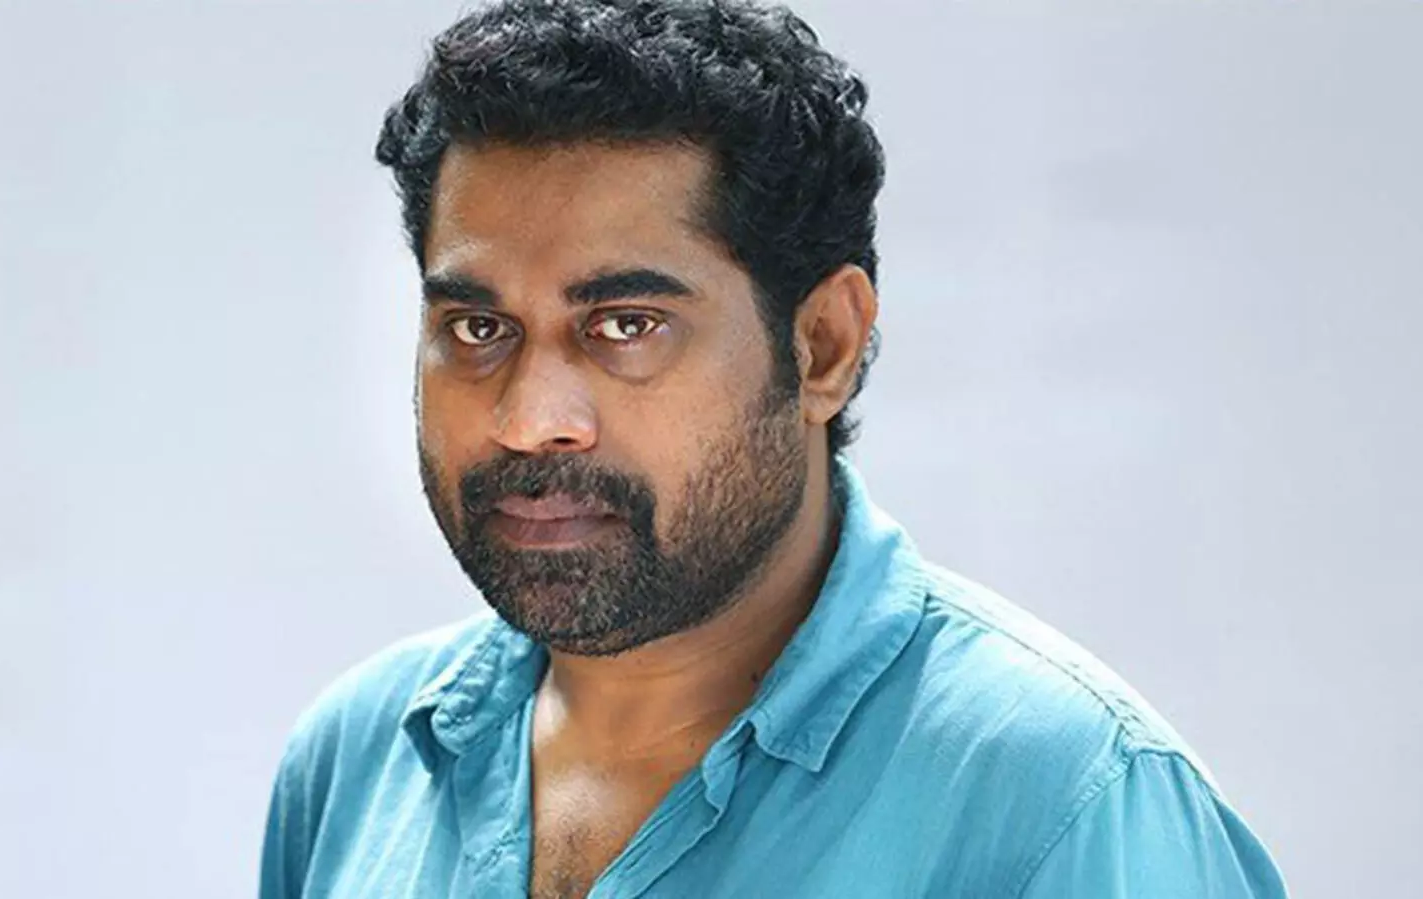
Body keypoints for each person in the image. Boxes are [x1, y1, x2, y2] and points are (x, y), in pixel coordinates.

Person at [259, 1, 1288, 896]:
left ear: (823, 346)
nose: (530, 419)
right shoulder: (357, 763)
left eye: (625, 325)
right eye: (479, 328)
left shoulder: (1065, 800)